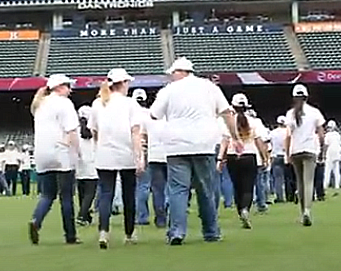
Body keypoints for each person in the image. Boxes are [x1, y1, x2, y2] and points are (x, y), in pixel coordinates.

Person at [150, 57, 238, 245]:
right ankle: (211, 231)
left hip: (176, 146)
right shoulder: (209, 87)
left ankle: (176, 231)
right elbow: (227, 112)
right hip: (204, 144)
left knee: (178, 190)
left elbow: (154, 114)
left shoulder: (169, 90)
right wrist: (235, 138)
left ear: (178, 72)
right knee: (206, 190)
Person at [89, 69, 145, 249]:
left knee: (106, 194)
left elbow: (94, 131)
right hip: (126, 153)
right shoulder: (130, 104)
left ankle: (103, 232)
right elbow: (135, 132)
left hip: (105, 154)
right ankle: (129, 233)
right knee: (129, 195)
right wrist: (140, 156)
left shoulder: (98, 103)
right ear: (123, 83)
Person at [28, 74, 81, 245]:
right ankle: (70, 235)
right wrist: (78, 152)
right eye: (67, 86)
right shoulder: (64, 103)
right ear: (60, 87)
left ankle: (36, 219)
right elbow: (71, 131)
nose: (70, 89)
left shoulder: (40, 104)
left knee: (47, 194)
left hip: (42, 154)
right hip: (61, 152)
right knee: (66, 197)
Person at [216, 93, 269, 229]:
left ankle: (240, 211)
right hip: (249, 156)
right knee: (248, 187)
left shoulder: (229, 121)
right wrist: (265, 158)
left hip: (233, 156)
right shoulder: (254, 122)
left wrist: (220, 159)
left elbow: (225, 141)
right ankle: (245, 209)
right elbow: (259, 141)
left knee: (237, 186)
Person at [284, 84, 325, 226]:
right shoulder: (315, 112)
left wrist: (287, 152)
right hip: (310, 149)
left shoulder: (290, 113)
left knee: (300, 182)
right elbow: (321, 133)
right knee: (308, 182)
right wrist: (321, 150)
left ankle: (302, 212)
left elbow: (288, 135)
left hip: (296, 150)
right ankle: (307, 210)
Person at [132, 88, 152, 226]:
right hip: (149, 149)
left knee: (137, 186)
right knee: (147, 185)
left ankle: (140, 215)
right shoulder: (149, 114)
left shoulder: (130, 113)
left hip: (132, 149)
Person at [76, 105, 98, 226]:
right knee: (90, 194)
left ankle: (85, 216)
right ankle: (82, 214)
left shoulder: (76, 129)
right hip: (92, 163)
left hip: (80, 164)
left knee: (82, 193)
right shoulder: (94, 129)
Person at [270, 116, 288, 203]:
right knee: (289, 178)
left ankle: (279, 197)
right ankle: (290, 195)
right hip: (286, 155)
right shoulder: (288, 132)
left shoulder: (273, 132)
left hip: (276, 155)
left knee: (278, 179)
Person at [323, 120, 341, 190]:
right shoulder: (338, 134)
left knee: (327, 170)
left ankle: (326, 184)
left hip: (330, 152)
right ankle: (337, 185)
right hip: (337, 152)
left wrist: (324, 154)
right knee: (336, 170)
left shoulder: (328, 135)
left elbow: (326, 145)